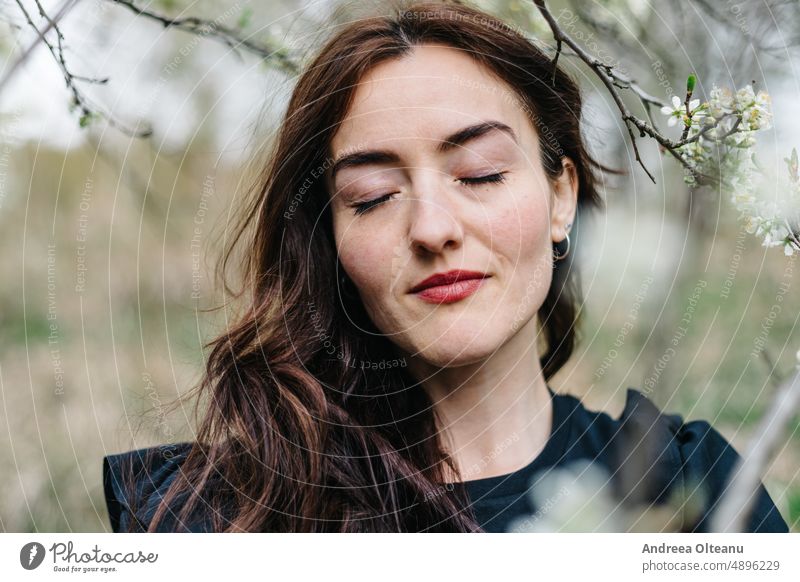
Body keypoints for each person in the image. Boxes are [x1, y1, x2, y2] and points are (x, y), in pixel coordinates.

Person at [102, 1, 789, 533]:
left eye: (480, 174)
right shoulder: (210, 516)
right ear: (332, 242)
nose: (431, 228)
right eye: (373, 198)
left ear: (561, 198)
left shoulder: (689, 489)